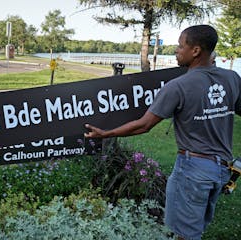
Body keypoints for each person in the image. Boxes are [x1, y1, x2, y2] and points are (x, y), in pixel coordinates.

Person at [84, 25, 241, 240]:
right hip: (220, 170)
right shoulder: (232, 78)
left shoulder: (178, 86)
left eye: (180, 45)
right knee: (195, 228)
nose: (176, 50)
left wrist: (106, 133)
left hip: (193, 170)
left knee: (185, 235)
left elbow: (144, 125)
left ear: (195, 51)